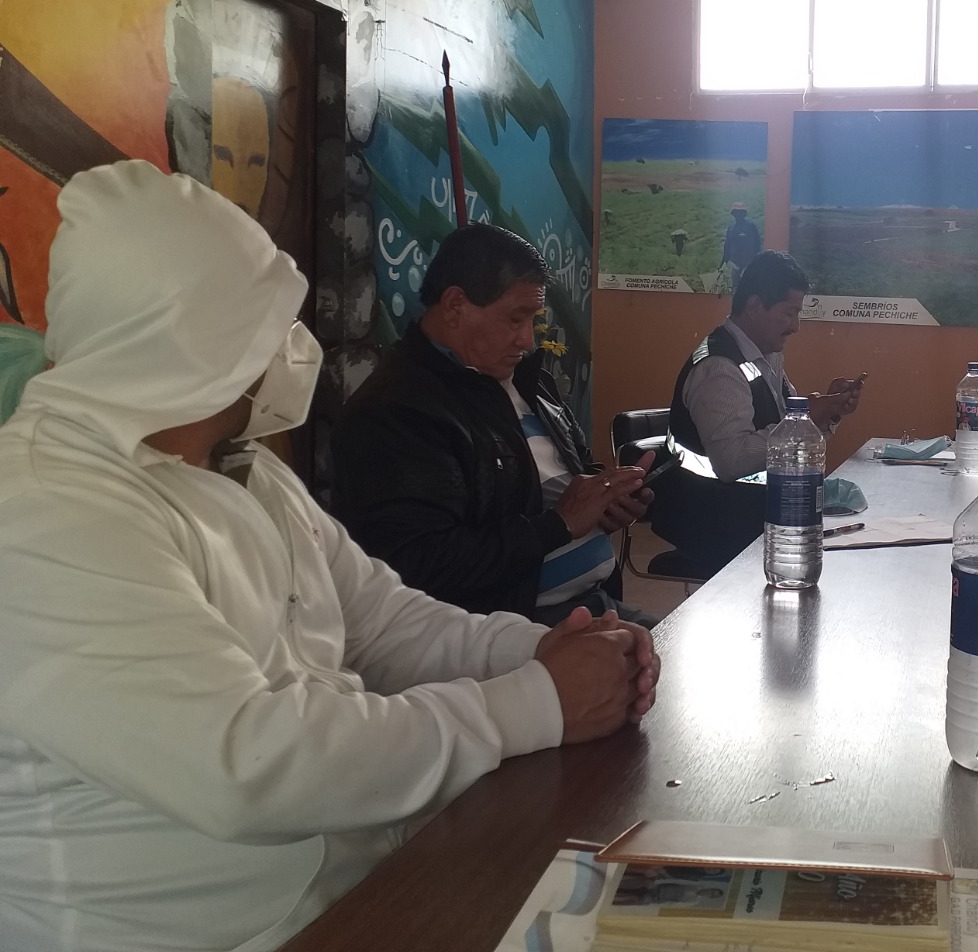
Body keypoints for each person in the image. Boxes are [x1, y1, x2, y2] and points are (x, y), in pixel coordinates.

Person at [0, 161, 658, 952]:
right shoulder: (45, 514)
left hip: (360, 879)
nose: (291, 350)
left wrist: (543, 650)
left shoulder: (244, 467)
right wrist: (536, 702)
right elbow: (247, 765)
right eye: (267, 327)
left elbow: (381, 622)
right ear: (196, 345)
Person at [333, 223, 655, 628]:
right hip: (511, 633)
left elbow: (568, 473)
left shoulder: (529, 381)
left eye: (533, 320)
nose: (527, 340)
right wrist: (558, 524)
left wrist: (607, 497)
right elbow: (418, 566)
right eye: (515, 319)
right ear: (455, 306)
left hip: (595, 604)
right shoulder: (395, 412)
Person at [651, 250, 863, 577]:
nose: (796, 326)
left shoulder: (764, 355)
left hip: (757, 513)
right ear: (754, 306)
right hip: (717, 522)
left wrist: (827, 411)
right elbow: (732, 460)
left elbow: (782, 428)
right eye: (789, 313)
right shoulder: (718, 368)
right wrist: (807, 418)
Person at [719, 203, 761, 292]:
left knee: (748, 289)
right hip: (735, 264)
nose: (738, 215)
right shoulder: (731, 229)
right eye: (736, 213)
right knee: (734, 289)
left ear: (744, 214)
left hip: (748, 264)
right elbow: (727, 247)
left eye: (740, 213)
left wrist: (755, 261)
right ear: (733, 214)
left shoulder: (751, 227)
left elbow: (758, 245)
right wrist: (722, 263)